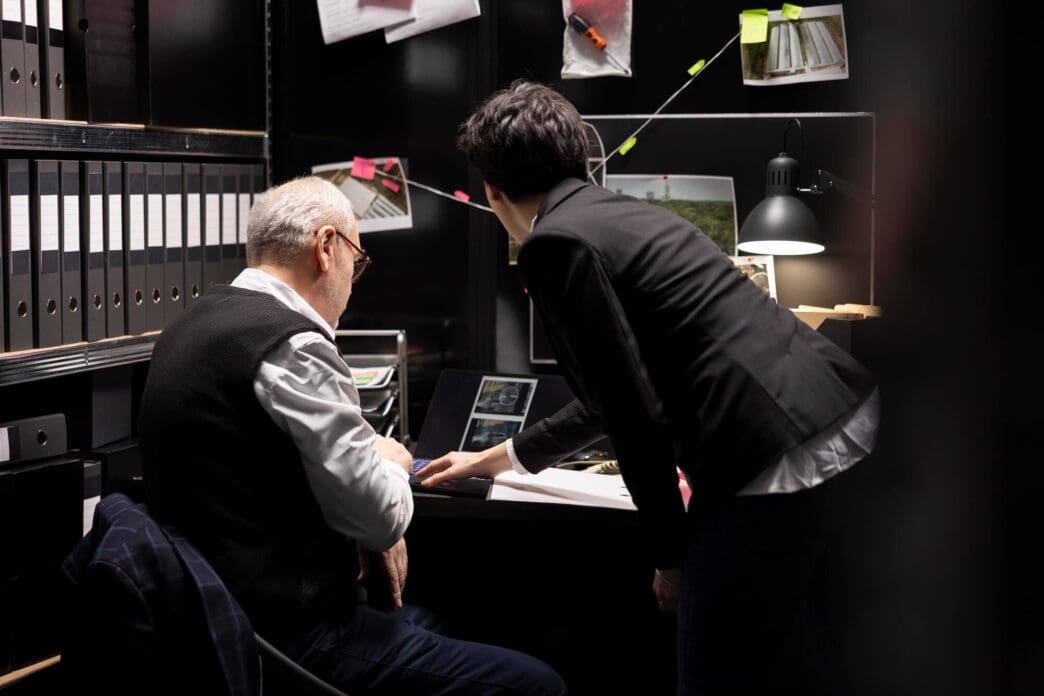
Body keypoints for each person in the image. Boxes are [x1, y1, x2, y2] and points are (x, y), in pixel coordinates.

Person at [416, 81, 881, 695]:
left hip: (769, 462)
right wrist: (501, 459)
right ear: (576, 158)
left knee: (710, 681)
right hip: (847, 427)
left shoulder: (555, 244)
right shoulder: (625, 214)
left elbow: (634, 415)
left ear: (492, 190)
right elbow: (620, 396)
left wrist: (669, 557)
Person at [138, 176, 566, 696]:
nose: (352, 278)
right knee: (539, 684)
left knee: (452, 622)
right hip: (292, 640)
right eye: (357, 261)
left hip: (214, 628)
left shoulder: (188, 326)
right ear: (325, 248)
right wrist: (389, 459)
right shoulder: (294, 345)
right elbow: (380, 515)